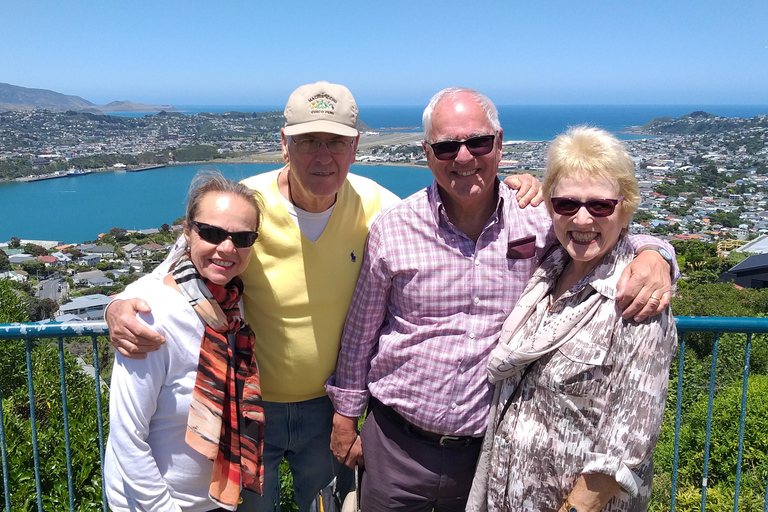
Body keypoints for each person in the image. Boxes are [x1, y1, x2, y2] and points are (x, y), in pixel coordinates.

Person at [105, 81, 539, 512]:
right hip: (250, 406)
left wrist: (515, 185)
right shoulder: (247, 206)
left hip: (328, 410)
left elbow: (440, 216)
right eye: (308, 140)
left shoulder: (377, 207)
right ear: (285, 145)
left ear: (354, 147)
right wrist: (119, 303)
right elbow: (182, 263)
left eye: (335, 142)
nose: (323, 155)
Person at [325, 88, 677, 512]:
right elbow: (361, 331)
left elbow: (598, 226)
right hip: (398, 444)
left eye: (478, 142)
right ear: (427, 152)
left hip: (486, 455)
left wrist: (656, 253)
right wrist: (345, 418)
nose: (464, 157)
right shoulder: (394, 228)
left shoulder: (538, 217)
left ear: (499, 143)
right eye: (446, 146)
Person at [467, 126, 678, 512]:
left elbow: (624, 448)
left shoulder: (636, 303)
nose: (582, 220)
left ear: (625, 207)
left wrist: (657, 254)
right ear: (551, 207)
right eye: (566, 204)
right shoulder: (548, 267)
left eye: (600, 206)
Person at [104, 170, 265, 511]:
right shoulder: (151, 316)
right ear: (188, 233)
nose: (227, 247)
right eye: (212, 232)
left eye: (242, 238)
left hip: (218, 500)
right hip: (154, 504)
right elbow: (126, 437)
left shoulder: (231, 306)